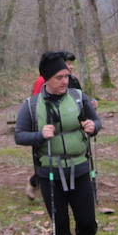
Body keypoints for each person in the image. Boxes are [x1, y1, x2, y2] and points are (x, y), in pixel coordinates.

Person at [15, 52, 101, 235]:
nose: (65, 81)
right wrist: (39, 135)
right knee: (60, 224)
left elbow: (96, 121)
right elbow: (19, 135)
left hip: (79, 169)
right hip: (50, 173)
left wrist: (93, 126)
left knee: (87, 221)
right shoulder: (32, 105)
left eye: (66, 76)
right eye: (59, 77)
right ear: (46, 79)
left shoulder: (78, 97)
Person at [26, 52, 81, 200]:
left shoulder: (73, 80)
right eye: (68, 63)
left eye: (71, 64)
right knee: (45, 162)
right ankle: (34, 183)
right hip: (46, 130)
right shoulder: (42, 81)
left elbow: (80, 99)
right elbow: (36, 102)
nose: (71, 67)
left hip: (69, 130)